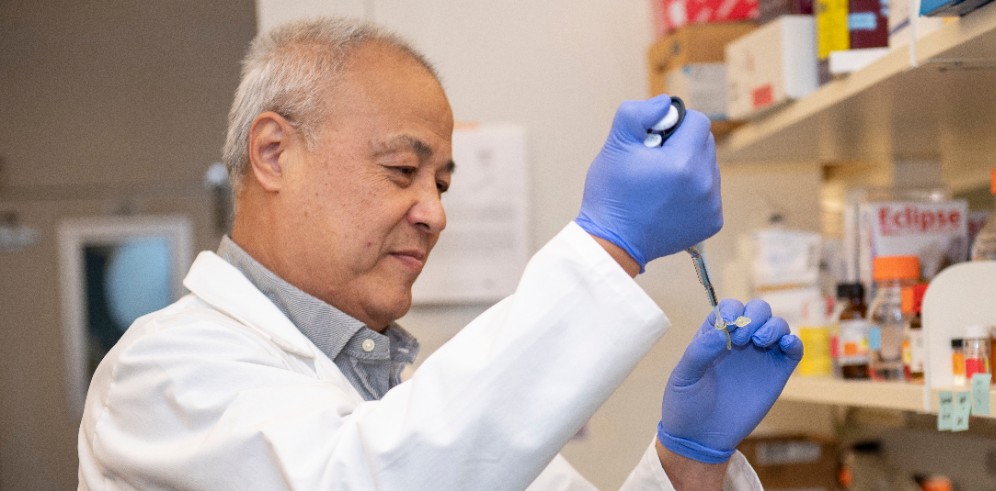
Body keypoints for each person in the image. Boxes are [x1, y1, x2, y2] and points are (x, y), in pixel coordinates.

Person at [77, 17, 803, 490]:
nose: (434, 212)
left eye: (443, 181)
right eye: (402, 170)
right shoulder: (161, 376)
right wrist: (608, 246)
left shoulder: (401, 395)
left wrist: (687, 463)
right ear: (273, 152)